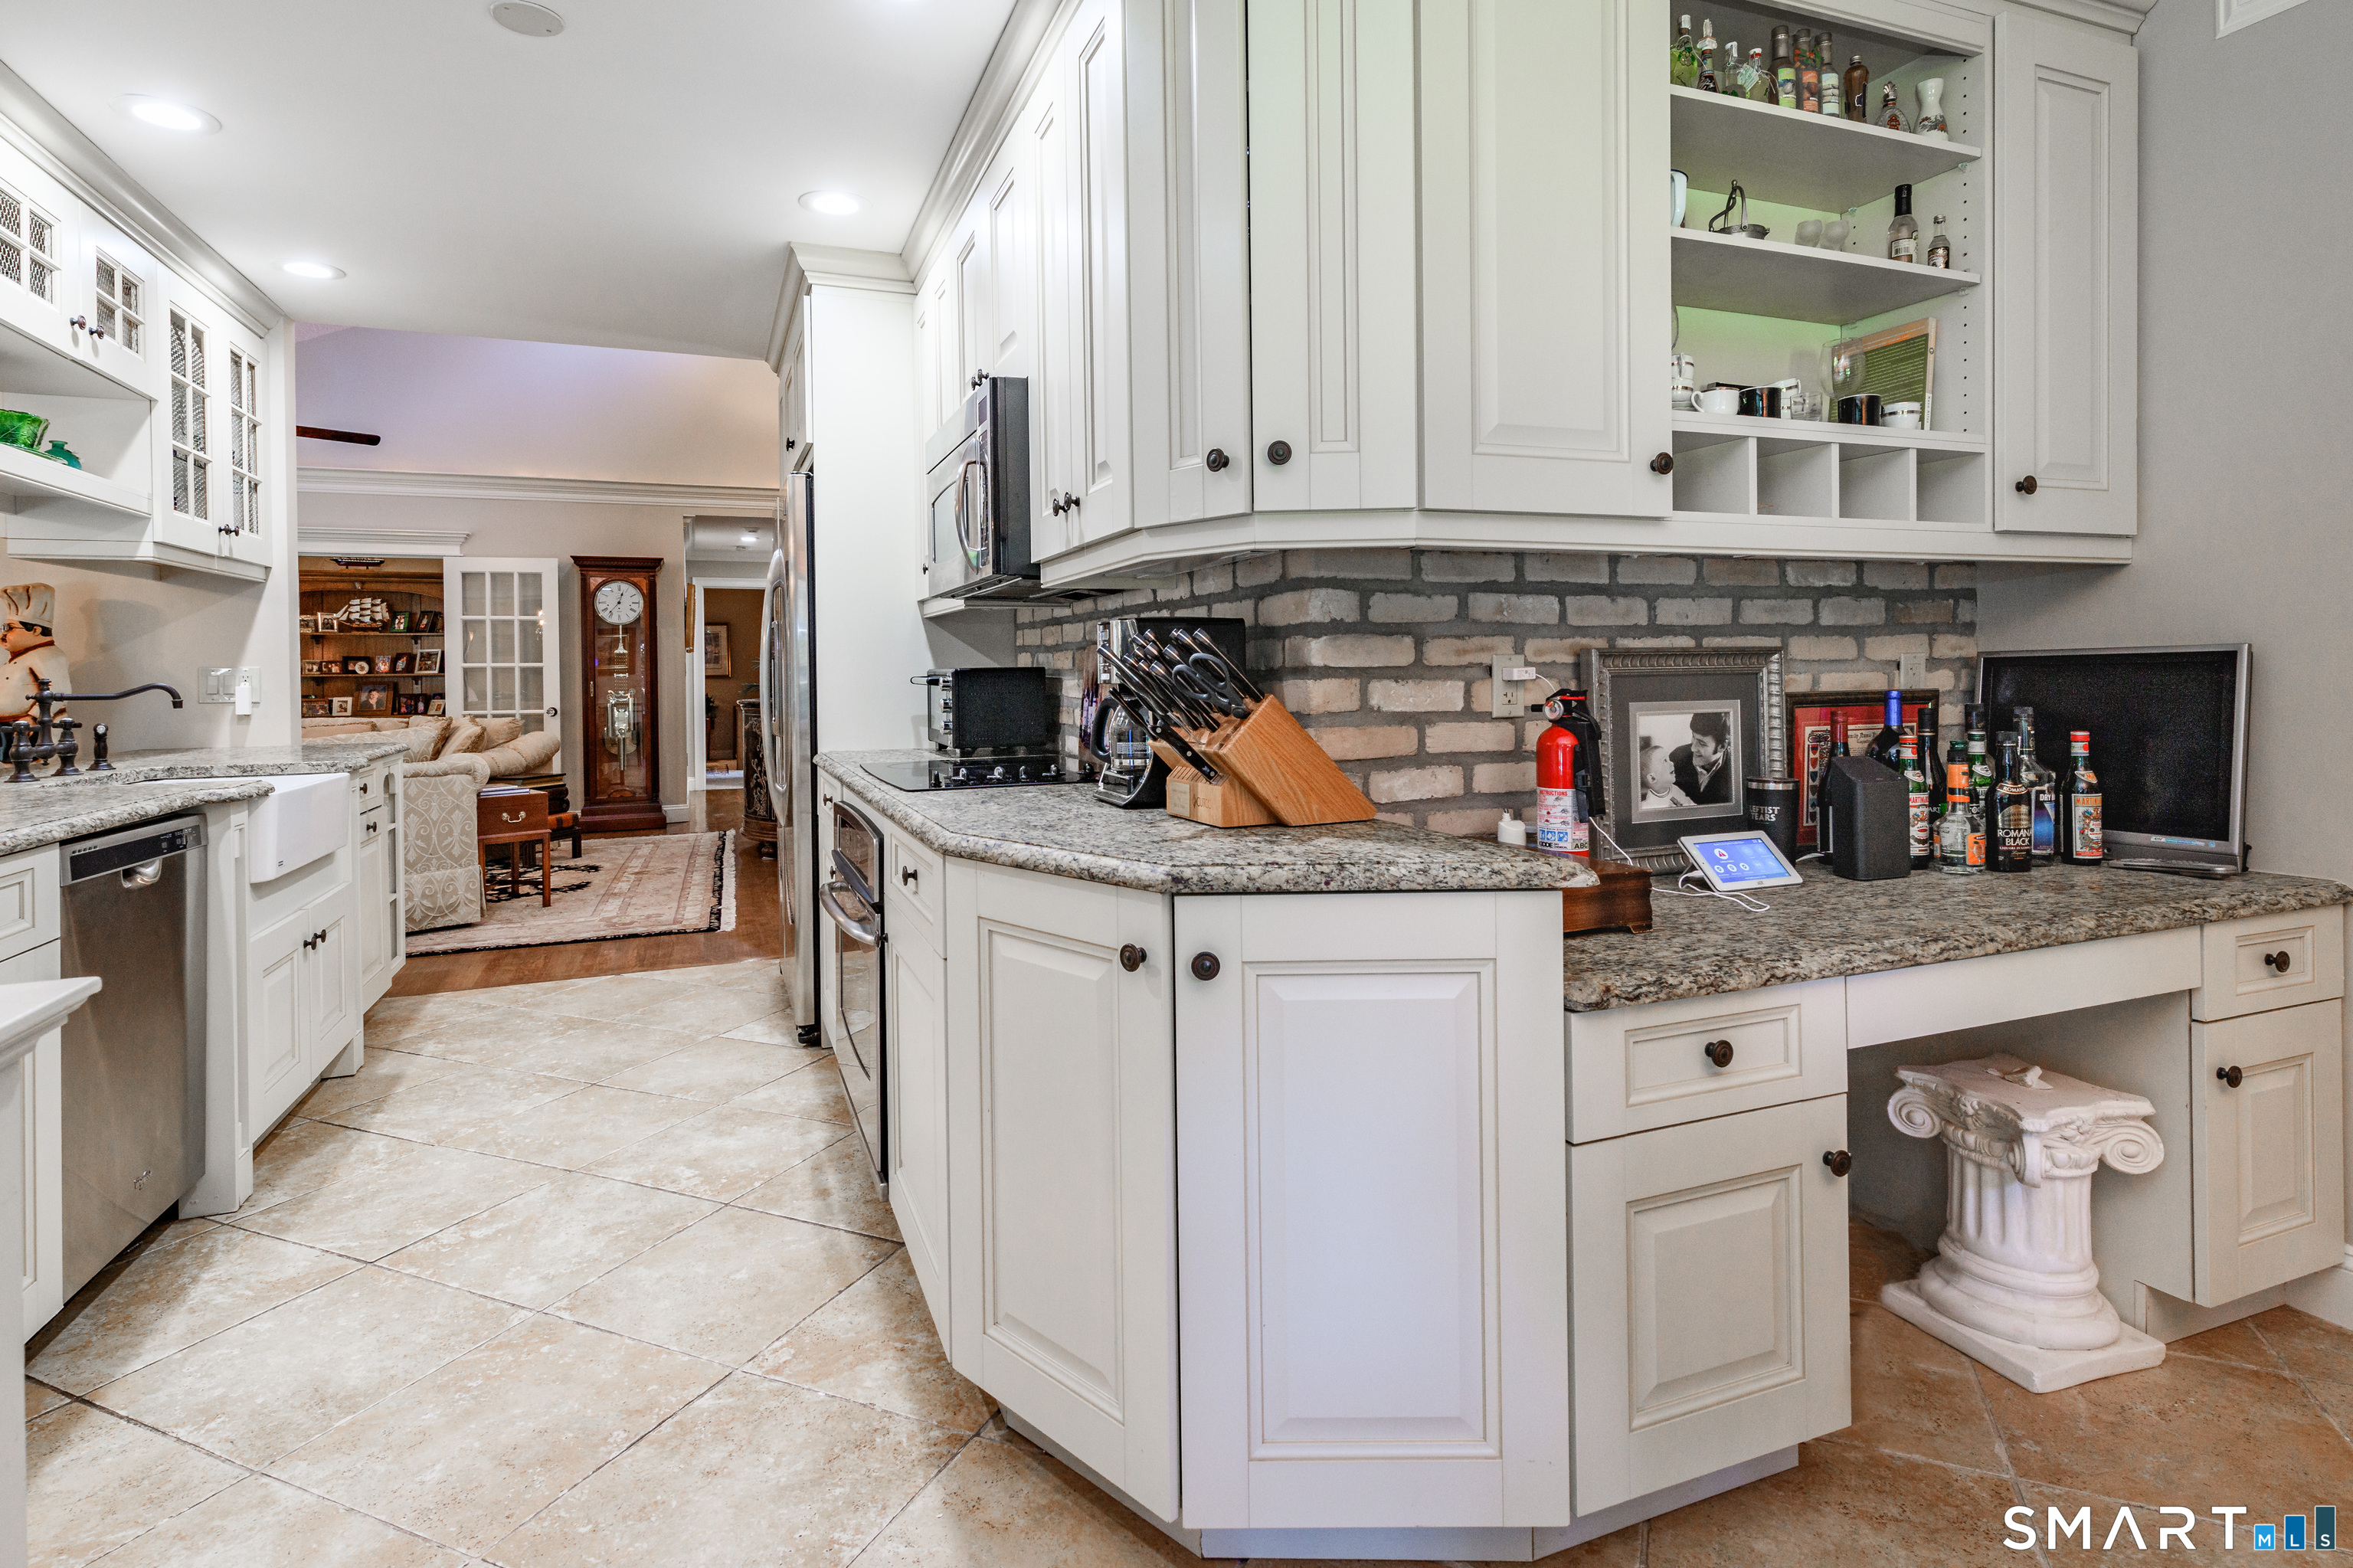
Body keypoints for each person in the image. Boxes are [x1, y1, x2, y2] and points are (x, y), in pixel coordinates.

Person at [0, 584, 70, 726]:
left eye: (10, 628)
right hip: (12, 728)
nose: (3, 634)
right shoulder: (19, 656)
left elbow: (58, 691)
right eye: (4, 628)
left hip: (33, 728)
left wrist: (33, 717)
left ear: (36, 630)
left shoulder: (48, 655)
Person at [1671, 711, 1734, 805]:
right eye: (1693, 737)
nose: (1693, 748)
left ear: (1722, 747)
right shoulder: (1676, 757)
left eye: (1702, 743)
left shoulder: (1736, 772)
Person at [1640, 741, 1696, 811]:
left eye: (1669, 759)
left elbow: (1694, 808)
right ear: (1652, 778)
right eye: (1665, 761)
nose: (1672, 763)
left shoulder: (1676, 790)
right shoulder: (1647, 807)